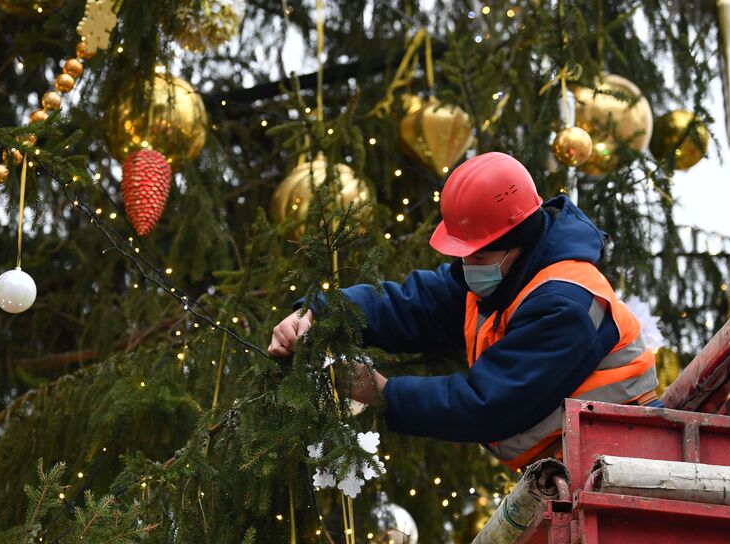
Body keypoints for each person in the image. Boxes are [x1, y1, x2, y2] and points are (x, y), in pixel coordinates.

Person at [267, 151, 658, 469]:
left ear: (517, 240)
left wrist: (383, 391)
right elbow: (412, 305)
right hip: (580, 467)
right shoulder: (500, 274)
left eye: (479, 252)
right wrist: (319, 313)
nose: (469, 263)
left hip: (626, 461)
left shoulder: (566, 304)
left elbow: (488, 403)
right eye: (464, 253)